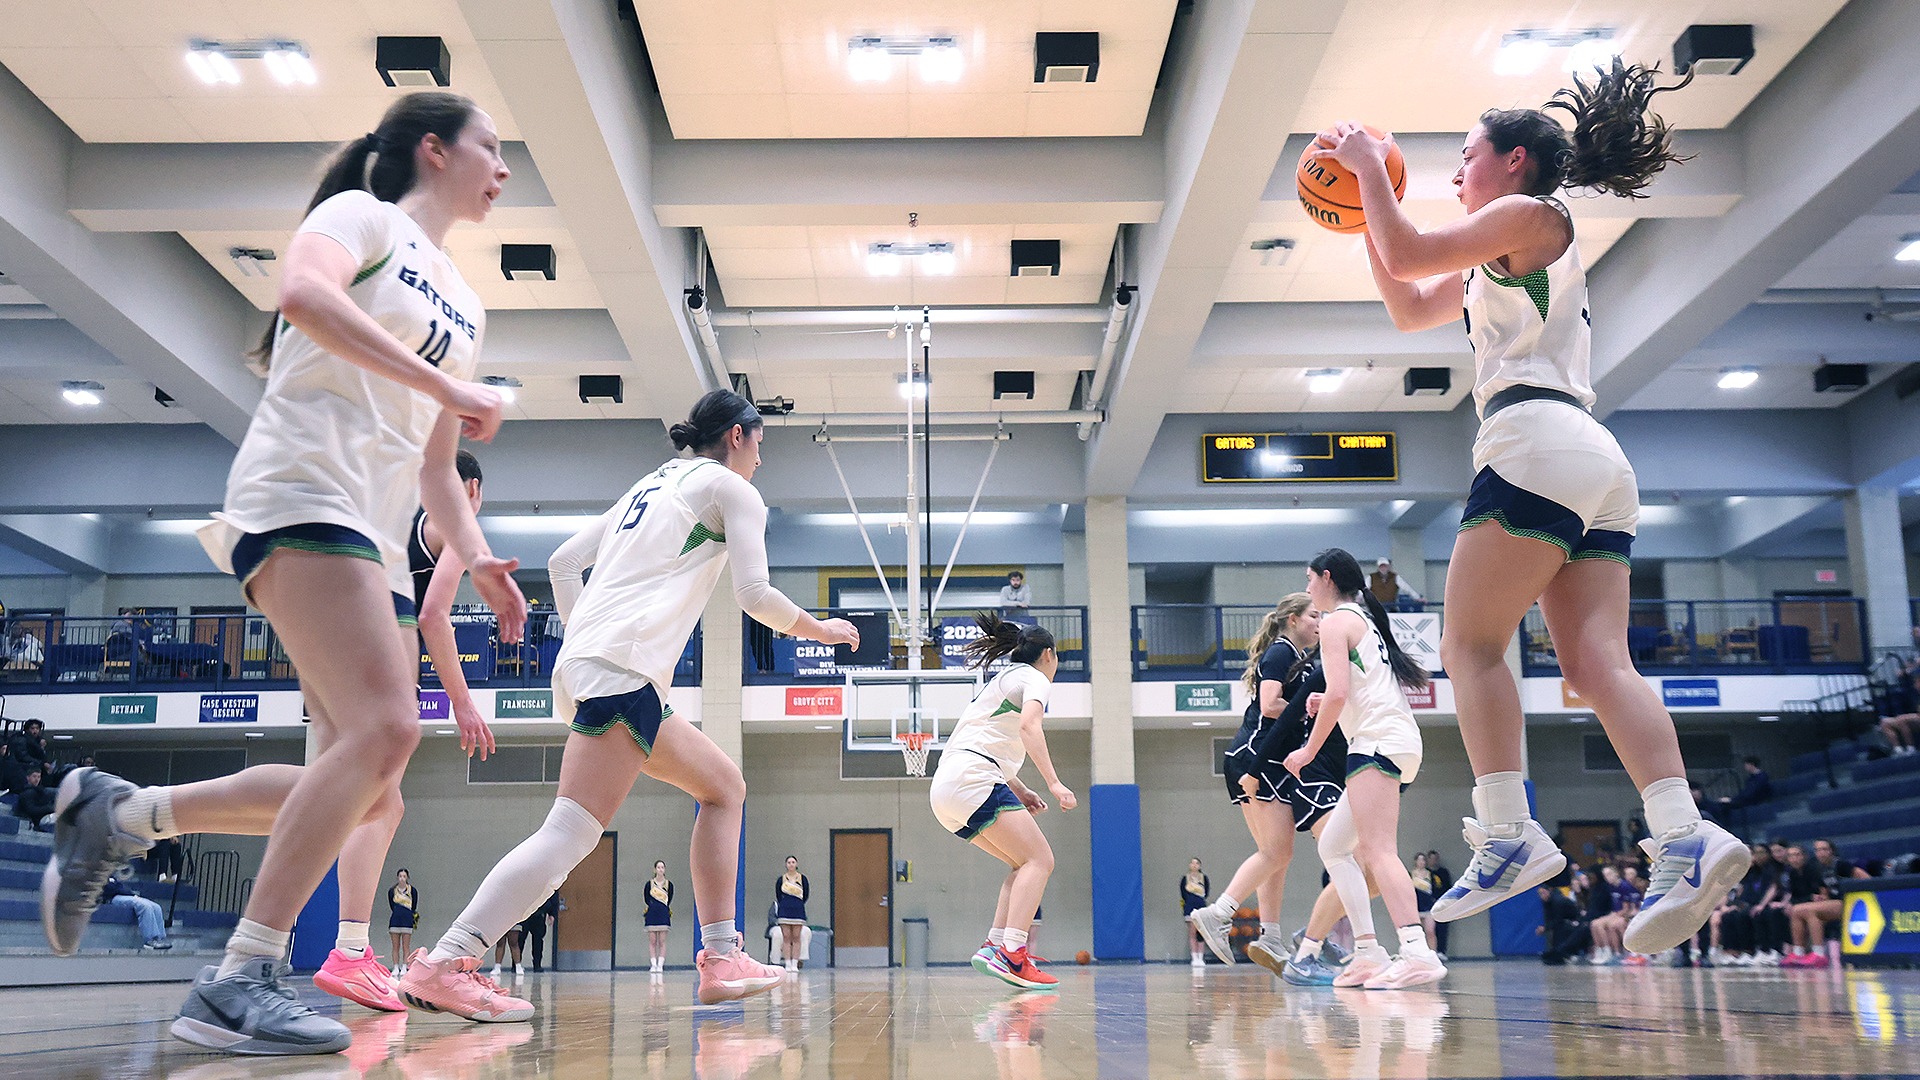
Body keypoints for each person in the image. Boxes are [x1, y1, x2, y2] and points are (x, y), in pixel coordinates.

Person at [41, 91, 524, 1057]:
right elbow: (302, 296)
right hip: (300, 493)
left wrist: (477, 563)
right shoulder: (359, 220)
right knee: (389, 729)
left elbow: (435, 467)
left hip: (374, 535)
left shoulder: (465, 301)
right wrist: (448, 386)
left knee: (370, 788)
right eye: (490, 146)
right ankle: (237, 977)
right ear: (433, 150)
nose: (504, 167)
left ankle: (123, 812)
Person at [1320, 61, 1746, 954]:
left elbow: (1410, 252)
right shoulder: (1499, 253)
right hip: (1588, 461)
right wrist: (1366, 211)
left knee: (1471, 646)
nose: (1453, 173)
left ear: (1514, 161)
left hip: (1536, 446)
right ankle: (1685, 833)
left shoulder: (1535, 215)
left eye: (1465, 156)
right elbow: (1405, 299)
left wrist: (1368, 167)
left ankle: (1509, 830)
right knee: (1594, 667)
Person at [398, 389, 859, 1017]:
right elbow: (754, 593)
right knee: (568, 833)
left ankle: (721, 957)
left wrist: (584, 644)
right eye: (761, 446)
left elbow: (562, 562)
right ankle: (449, 960)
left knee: (724, 786)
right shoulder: (731, 490)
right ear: (737, 437)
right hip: (620, 669)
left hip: (600, 668)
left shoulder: (651, 485)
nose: (761, 461)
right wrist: (821, 629)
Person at [1283, 548, 1443, 989]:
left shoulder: (1337, 622)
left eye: (1310, 579)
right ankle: (1369, 950)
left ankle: (1416, 951)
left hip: (1377, 743)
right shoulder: (1363, 619)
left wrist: (1308, 750)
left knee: (1377, 851)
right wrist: (1325, 700)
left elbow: (1336, 694)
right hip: (1390, 739)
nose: (1308, 588)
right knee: (1335, 847)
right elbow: (1349, 690)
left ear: (1327, 578)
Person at [929, 613, 1075, 990]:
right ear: (1048, 655)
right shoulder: (1035, 679)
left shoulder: (1001, 680)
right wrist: (1055, 783)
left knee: (1020, 863)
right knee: (1041, 860)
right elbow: (1030, 727)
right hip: (973, 778)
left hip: (948, 786)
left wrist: (1022, 790)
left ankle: (996, 944)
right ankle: (1013, 954)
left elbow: (987, 742)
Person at [1187, 594, 1320, 972]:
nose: (1318, 622)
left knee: (1274, 855)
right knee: (1277, 852)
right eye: (1313, 616)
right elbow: (1270, 705)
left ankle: (1272, 937)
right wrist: (1313, 711)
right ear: (1292, 620)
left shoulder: (1300, 658)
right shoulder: (1281, 653)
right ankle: (1219, 913)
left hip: (1266, 760)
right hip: (1258, 757)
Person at [1785, 839, 1868, 968]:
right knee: (1796, 910)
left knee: (1809, 910)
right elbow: (1821, 890)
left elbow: (1865, 878)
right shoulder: (1814, 867)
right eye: (1817, 850)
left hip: (1846, 902)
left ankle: (1819, 954)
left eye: (1824, 849)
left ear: (1832, 851)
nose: (1821, 853)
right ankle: (1798, 952)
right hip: (1830, 903)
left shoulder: (1841, 865)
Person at [103, 875, 172, 951]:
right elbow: (109, 889)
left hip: (123, 894)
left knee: (156, 907)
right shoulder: (97, 873)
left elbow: (119, 886)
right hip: (112, 898)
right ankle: (150, 941)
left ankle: (160, 939)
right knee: (145, 906)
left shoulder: (111, 875)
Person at [1537, 880, 1589, 965]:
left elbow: (1558, 920)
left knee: (1561, 929)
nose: (1541, 896)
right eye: (1540, 894)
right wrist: (1546, 927)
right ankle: (1555, 952)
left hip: (1577, 921)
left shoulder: (1558, 901)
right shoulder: (1546, 902)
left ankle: (1566, 953)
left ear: (1549, 891)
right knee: (1555, 929)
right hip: (1564, 921)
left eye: (1543, 893)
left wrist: (1546, 928)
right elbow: (1549, 918)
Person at [774, 856, 810, 974]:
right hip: (784, 911)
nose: (791, 864)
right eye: (788, 862)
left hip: (798, 911)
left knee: (796, 937)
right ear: (786, 864)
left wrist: (798, 904)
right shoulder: (781, 879)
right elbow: (778, 895)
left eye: (793, 862)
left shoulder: (802, 879)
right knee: (786, 937)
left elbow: (806, 895)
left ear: (796, 864)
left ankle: (795, 963)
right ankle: (787, 963)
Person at [1179, 857, 1210, 967]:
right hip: (1190, 906)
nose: (1194, 865)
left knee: (1200, 932)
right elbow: (1183, 893)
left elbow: (1206, 892)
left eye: (1196, 863)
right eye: (1192, 863)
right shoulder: (1185, 878)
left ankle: (1201, 957)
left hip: (1200, 906)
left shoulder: (1204, 878)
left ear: (1200, 866)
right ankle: (1194, 957)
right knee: (1192, 931)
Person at [388, 870, 419, 977]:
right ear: (397, 877)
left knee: (406, 946)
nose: (402, 878)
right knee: (395, 946)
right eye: (400, 876)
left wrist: (409, 915)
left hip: (407, 921)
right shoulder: (392, 891)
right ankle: (396, 966)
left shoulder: (412, 890)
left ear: (407, 878)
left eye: (404, 876)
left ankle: (405, 966)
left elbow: (414, 905)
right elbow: (391, 905)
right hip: (395, 920)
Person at [645, 860, 674, 974]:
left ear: (664, 869)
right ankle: (653, 964)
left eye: (662, 867)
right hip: (652, 914)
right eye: (658, 867)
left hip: (663, 914)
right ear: (655, 869)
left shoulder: (668, 884)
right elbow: (646, 898)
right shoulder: (650, 884)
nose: (660, 869)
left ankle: (660, 965)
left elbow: (670, 897)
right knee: (652, 941)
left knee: (662, 941)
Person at [522, 891, 560, 973]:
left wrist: (552, 914)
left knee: (538, 941)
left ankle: (537, 965)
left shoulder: (547, 881)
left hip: (539, 914)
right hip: (524, 913)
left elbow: (553, 896)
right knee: (520, 940)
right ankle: (516, 965)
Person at [1411, 852, 1438, 951]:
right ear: (1415, 861)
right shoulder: (1411, 874)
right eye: (1419, 860)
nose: (1421, 862)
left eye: (1423, 860)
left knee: (1430, 931)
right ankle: (1419, 953)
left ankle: (1433, 953)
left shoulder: (1431, 874)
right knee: (1417, 934)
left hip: (1428, 906)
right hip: (1416, 907)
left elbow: (1436, 889)